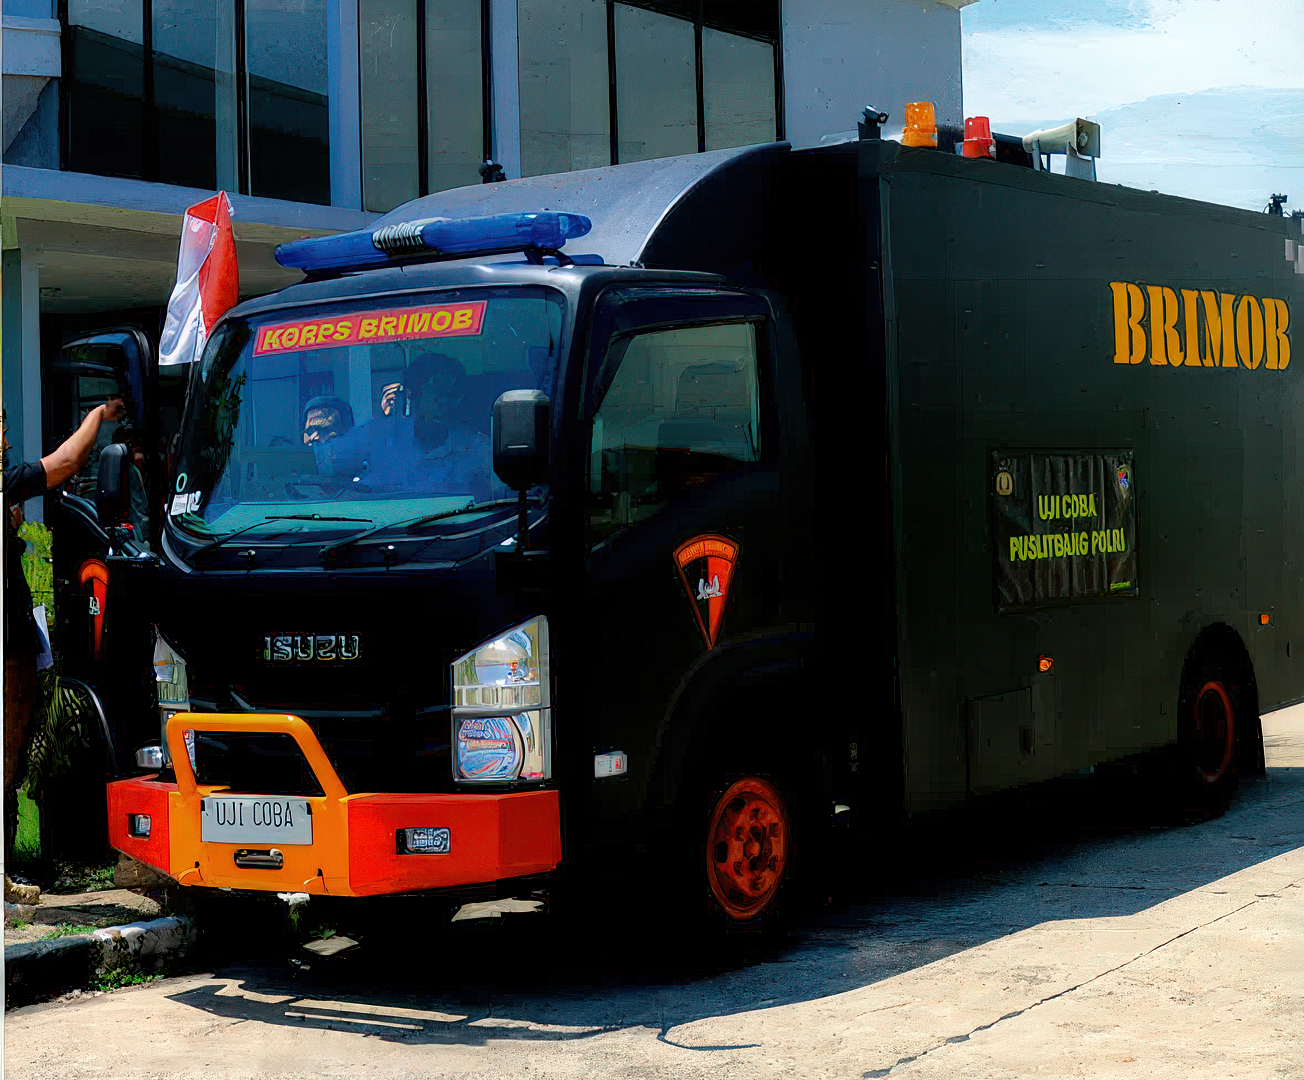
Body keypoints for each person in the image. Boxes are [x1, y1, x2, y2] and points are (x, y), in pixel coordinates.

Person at [3, 397, 125, 864]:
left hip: (16, 639)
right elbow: (68, 461)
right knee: (7, 757)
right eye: (1, 429)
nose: (6, 442)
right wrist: (98, 415)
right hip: (8, 644)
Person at [318, 354, 505, 499]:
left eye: (455, 391)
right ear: (413, 394)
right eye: (438, 389)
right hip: (377, 533)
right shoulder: (377, 433)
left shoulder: (477, 448)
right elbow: (322, 465)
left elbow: (496, 503)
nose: (445, 400)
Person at [111, 426, 151, 550]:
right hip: (136, 524)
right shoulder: (127, 470)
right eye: (134, 447)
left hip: (139, 522)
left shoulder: (133, 469)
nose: (139, 451)